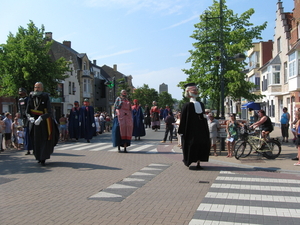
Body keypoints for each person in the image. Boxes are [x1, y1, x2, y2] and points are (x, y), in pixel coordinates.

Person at [178, 83, 210, 170]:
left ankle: (199, 161)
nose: (196, 92)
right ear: (188, 92)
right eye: (194, 90)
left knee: (201, 145)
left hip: (200, 129)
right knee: (191, 145)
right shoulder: (186, 105)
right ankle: (189, 160)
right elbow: (183, 119)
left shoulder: (201, 104)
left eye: (196, 90)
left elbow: (203, 117)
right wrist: (182, 131)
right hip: (190, 130)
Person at [26, 82, 59, 166]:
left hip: (44, 122)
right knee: (35, 140)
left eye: (38, 87)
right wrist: (30, 117)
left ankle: (43, 157)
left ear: (42, 89)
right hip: (33, 122)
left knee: (44, 140)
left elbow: (49, 112)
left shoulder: (45, 97)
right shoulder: (31, 97)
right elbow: (27, 111)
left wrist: (41, 118)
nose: (36, 89)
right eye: (35, 87)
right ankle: (38, 156)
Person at [18, 87, 32, 155]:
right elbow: (20, 110)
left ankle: (34, 148)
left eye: (22, 92)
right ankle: (28, 149)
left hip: (30, 118)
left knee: (31, 134)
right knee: (26, 135)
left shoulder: (28, 99)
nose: (21, 94)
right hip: (24, 118)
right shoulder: (20, 100)